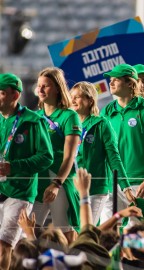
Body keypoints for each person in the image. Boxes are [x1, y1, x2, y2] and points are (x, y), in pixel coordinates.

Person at [0, 73, 53, 269]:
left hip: (20, 193)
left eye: (1, 93)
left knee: (3, 246)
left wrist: (14, 167)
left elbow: (46, 157)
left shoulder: (33, 121)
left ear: (15, 96)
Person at [70, 81, 136, 224]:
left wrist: (125, 187)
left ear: (89, 100)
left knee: (86, 232)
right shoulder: (69, 125)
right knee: (76, 235)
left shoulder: (101, 124)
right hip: (73, 188)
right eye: (71, 96)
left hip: (95, 189)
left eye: (78, 96)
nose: (73, 100)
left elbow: (114, 158)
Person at [33, 67, 82, 244]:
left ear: (57, 88)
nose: (40, 89)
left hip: (60, 180)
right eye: (39, 86)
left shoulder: (70, 116)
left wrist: (57, 183)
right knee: (28, 231)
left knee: (67, 233)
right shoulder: (35, 117)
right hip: (38, 181)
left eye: (45, 86)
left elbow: (70, 156)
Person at [101, 64, 144, 204]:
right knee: (108, 225)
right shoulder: (106, 111)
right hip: (113, 182)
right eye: (110, 79)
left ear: (130, 83)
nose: (111, 82)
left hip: (139, 182)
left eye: (116, 79)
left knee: (140, 226)